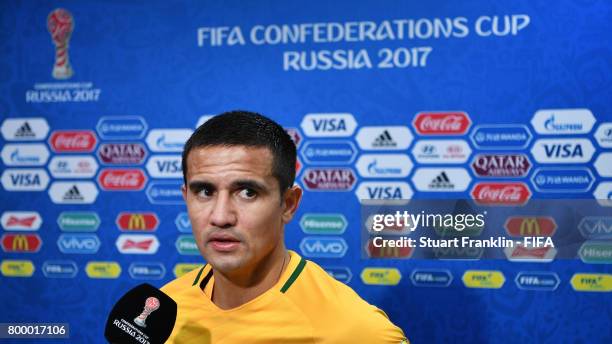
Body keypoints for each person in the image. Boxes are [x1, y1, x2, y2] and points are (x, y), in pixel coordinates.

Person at [161, 110, 408, 343]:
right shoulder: (160, 311)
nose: (221, 216)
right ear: (186, 198)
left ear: (288, 204)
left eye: (247, 192)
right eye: (205, 191)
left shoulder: (354, 330)